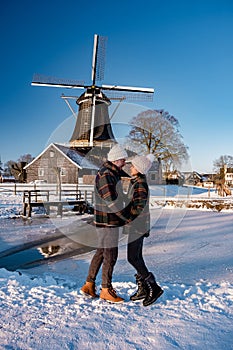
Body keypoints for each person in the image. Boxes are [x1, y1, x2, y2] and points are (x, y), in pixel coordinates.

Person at [81, 144, 128, 303]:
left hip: (107, 219)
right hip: (108, 220)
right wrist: (124, 215)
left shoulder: (112, 173)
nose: (125, 162)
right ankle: (106, 289)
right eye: (123, 159)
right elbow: (111, 200)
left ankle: (89, 284)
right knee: (110, 254)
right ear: (116, 159)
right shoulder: (106, 174)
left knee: (101, 251)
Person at [123, 154, 163, 306]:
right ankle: (144, 288)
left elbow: (138, 208)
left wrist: (126, 218)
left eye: (133, 166)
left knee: (133, 258)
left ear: (139, 169)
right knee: (136, 257)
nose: (130, 167)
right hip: (138, 225)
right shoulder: (137, 182)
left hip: (137, 226)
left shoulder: (139, 184)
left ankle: (153, 286)